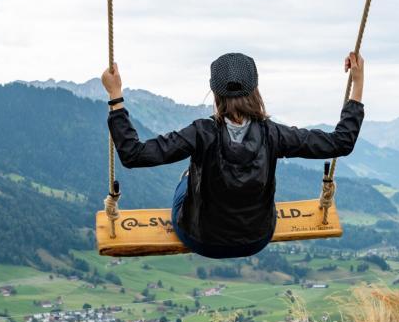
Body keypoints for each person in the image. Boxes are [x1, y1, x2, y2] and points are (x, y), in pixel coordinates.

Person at [102, 51, 364, 259]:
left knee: (186, 178)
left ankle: (189, 179)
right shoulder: (273, 134)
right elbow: (341, 142)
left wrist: (116, 96)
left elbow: (133, 154)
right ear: (255, 91)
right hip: (256, 239)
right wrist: (358, 83)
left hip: (201, 239)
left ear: (216, 94)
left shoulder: (200, 133)